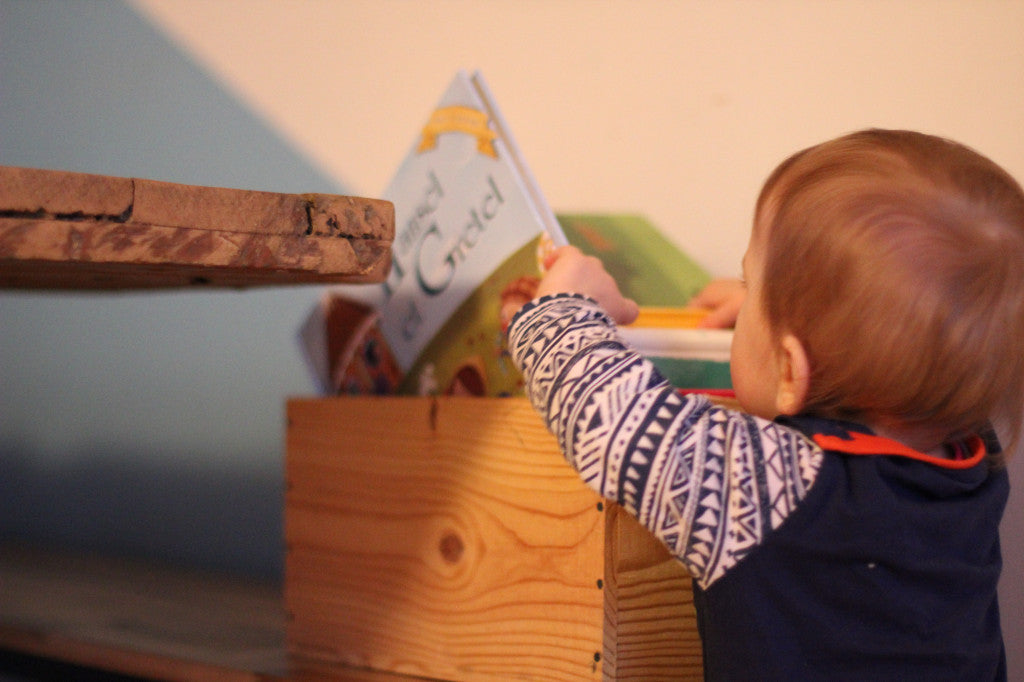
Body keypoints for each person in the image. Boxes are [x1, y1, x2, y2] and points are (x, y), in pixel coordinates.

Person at [506, 129, 1024, 680]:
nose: (745, 296)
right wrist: (785, 313)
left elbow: (610, 421)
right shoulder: (974, 461)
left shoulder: (771, 485)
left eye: (751, 286)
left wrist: (562, 308)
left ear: (788, 370)